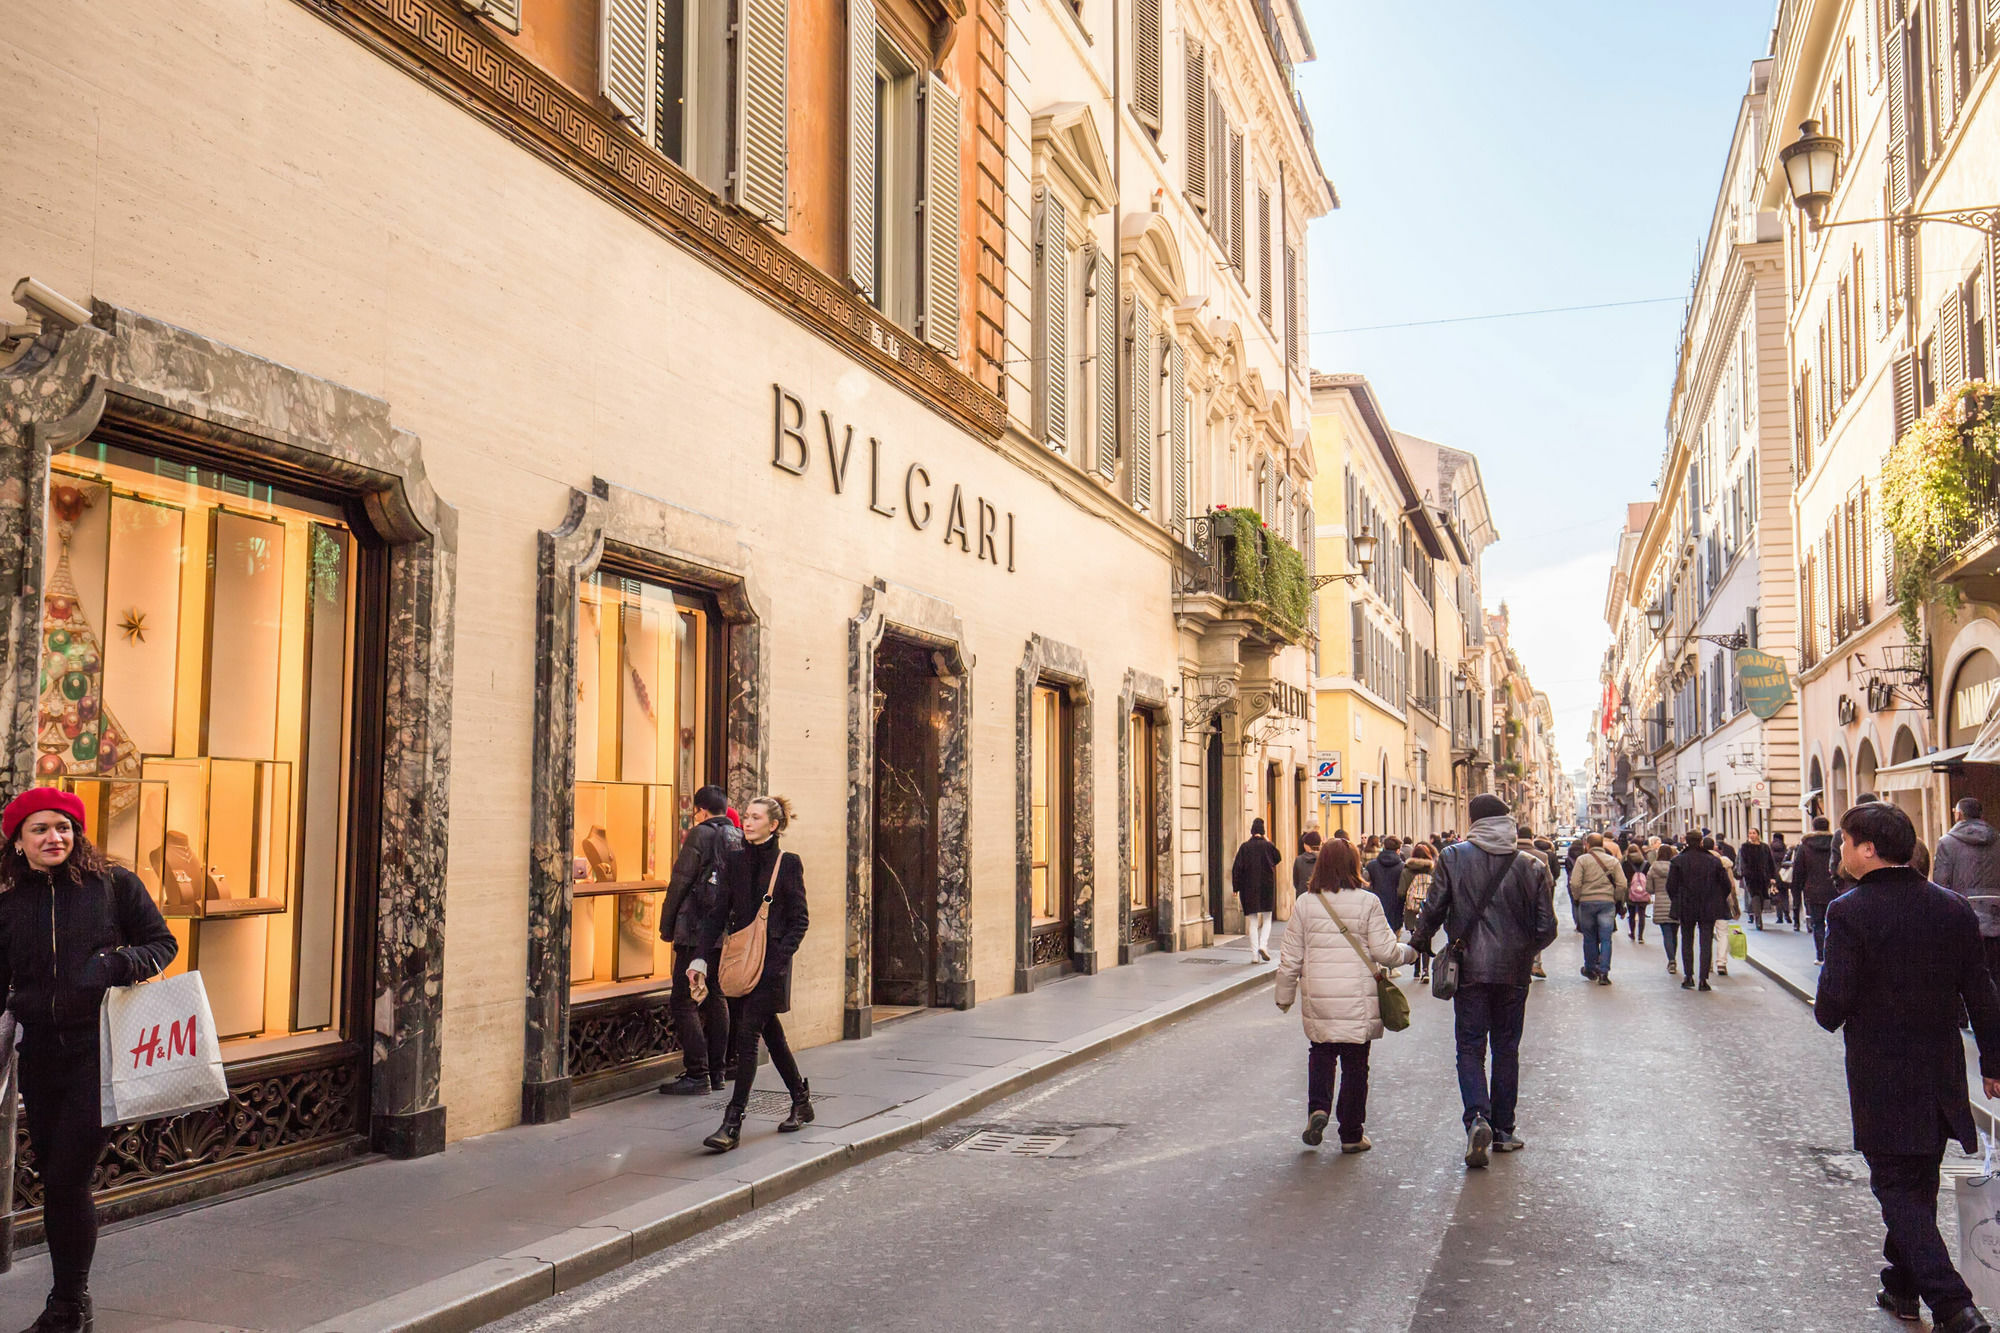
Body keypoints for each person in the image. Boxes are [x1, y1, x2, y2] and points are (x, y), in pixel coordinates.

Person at [1815, 801, 2000, 1333]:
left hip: (1881, 1074)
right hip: (1940, 1070)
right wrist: (1993, 1060)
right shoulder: (1952, 908)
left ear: (1868, 849)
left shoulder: (1847, 911)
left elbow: (1831, 1008)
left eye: (1847, 842)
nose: (1843, 851)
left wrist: (1835, 992)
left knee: (1896, 1188)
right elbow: (1981, 993)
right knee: (1916, 1184)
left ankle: (1953, 1305)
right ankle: (1901, 1285)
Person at [0, 788, 179, 1333]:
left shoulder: (113, 886)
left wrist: (113, 964)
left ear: (77, 834)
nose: (54, 837)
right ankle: (69, 1306)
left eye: (64, 827)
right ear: (17, 842)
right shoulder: (9, 902)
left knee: (67, 1175)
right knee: (58, 1180)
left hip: (100, 1049)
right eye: (40, 829)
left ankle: (69, 1304)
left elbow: (161, 944)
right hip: (40, 1054)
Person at [1409, 794, 1558, 1168]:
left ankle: (1478, 1117)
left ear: (1473, 821)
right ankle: (1504, 1130)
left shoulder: (1454, 857)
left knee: (1470, 1047)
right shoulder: (1533, 865)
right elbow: (1547, 927)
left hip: (1470, 968)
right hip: (1514, 972)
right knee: (1507, 1048)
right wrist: (1523, 951)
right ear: (1506, 821)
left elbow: (1433, 909)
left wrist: (1418, 944)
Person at [1275, 838, 1415, 1153]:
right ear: (1355, 865)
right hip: (1357, 996)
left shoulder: (1306, 903)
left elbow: (1290, 957)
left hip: (1320, 994)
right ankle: (1351, 1135)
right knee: (1355, 1064)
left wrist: (1284, 996)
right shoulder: (1368, 902)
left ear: (1321, 864)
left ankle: (1318, 1109)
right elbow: (1385, 952)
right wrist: (1410, 953)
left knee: (1321, 1054)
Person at [693, 796, 811, 1153]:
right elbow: (717, 914)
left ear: (773, 825)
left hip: (770, 967)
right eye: (746, 815)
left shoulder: (787, 864)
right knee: (771, 1035)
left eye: (756, 817)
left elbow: (799, 920)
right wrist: (699, 958)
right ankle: (801, 1101)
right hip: (740, 966)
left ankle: (732, 1122)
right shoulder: (734, 860)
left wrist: (777, 961)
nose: (747, 821)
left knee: (747, 1039)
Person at [657, 785, 742, 1096]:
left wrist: (667, 928)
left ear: (701, 810)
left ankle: (697, 1073)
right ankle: (718, 1072)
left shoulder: (699, 834)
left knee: (682, 1001)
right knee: (716, 995)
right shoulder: (737, 836)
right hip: (721, 931)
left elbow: (680, 882)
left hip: (694, 930)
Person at [1937, 797, 2000, 987]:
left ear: (1959, 814)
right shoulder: (1998, 840)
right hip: (1997, 918)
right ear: (1981, 815)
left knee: (1970, 980)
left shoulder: (1946, 843)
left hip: (1963, 918)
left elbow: (1942, 884)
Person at [1666, 834, 1732, 991]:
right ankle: (1703, 979)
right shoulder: (1713, 861)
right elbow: (1726, 885)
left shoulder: (1678, 861)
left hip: (1686, 905)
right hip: (1708, 905)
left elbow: (1670, 886)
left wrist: (1677, 899)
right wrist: (1717, 898)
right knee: (1706, 941)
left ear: (1686, 842)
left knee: (1687, 940)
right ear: (1701, 841)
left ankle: (1688, 976)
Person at [1567, 833, 1627, 985]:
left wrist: (1577, 897)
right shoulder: (1612, 861)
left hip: (1587, 902)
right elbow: (1622, 884)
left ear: (1587, 845)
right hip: (1607, 903)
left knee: (1589, 937)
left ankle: (1590, 968)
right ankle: (1604, 973)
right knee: (1606, 938)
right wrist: (1617, 898)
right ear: (1602, 845)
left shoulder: (1582, 860)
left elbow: (1574, 883)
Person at [1231, 819, 1282, 962]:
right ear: (1263, 831)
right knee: (1267, 919)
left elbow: (1237, 868)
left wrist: (1236, 887)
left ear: (1252, 831)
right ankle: (1263, 945)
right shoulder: (1268, 846)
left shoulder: (1244, 847)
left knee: (1253, 922)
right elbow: (1278, 858)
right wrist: (1269, 841)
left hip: (1248, 889)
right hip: (1266, 887)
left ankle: (1254, 955)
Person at [1794, 815, 1841, 963]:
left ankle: (1821, 956)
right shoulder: (1836, 843)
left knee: (1818, 923)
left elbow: (1798, 871)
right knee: (1834, 923)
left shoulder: (1805, 846)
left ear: (1813, 828)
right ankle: (1834, 954)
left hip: (1813, 890)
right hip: (1834, 889)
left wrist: (1796, 891)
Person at [1399, 843, 1438, 981]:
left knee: (1415, 937)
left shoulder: (1407, 870)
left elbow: (1401, 892)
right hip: (1427, 909)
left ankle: (1416, 969)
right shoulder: (1433, 870)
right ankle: (1426, 971)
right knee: (1426, 937)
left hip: (1411, 910)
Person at [1364, 835, 1406, 934]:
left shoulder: (1371, 865)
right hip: (1396, 909)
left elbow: (1365, 885)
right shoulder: (1403, 867)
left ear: (1384, 847)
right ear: (1398, 850)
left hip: (1375, 908)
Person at [1737, 827, 1777, 930]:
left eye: (1754, 833)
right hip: (1751, 877)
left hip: (1764, 877)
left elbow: (1770, 862)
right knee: (1755, 895)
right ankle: (1758, 919)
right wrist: (1746, 873)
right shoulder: (1745, 847)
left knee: (1762, 897)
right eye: (1750, 833)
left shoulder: (1764, 847)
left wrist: (1773, 877)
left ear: (1758, 835)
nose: (1752, 835)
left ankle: (1755, 913)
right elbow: (1743, 862)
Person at [1650, 839, 1679, 974]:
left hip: (1661, 903)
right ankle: (1673, 957)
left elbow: (1649, 888)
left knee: (1666, 934)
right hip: (1675, 903)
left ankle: (1671, 959)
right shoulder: (1676, 866)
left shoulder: (1654, 868)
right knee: (1674, 933)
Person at [1293, 831, 1322, 907]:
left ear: (1306, 845)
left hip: (1303, 897)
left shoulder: (1299, 860)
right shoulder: (1325, 858)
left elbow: (1296, 881)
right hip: (1322, 897)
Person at [1625, 857, 1651, 942]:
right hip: (1643, 892)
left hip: (1631, 891)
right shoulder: (1646, 865)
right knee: (1642, 914)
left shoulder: (1626, 864)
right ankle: (1640, 936)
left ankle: (1632, 932)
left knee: (1631, 914)